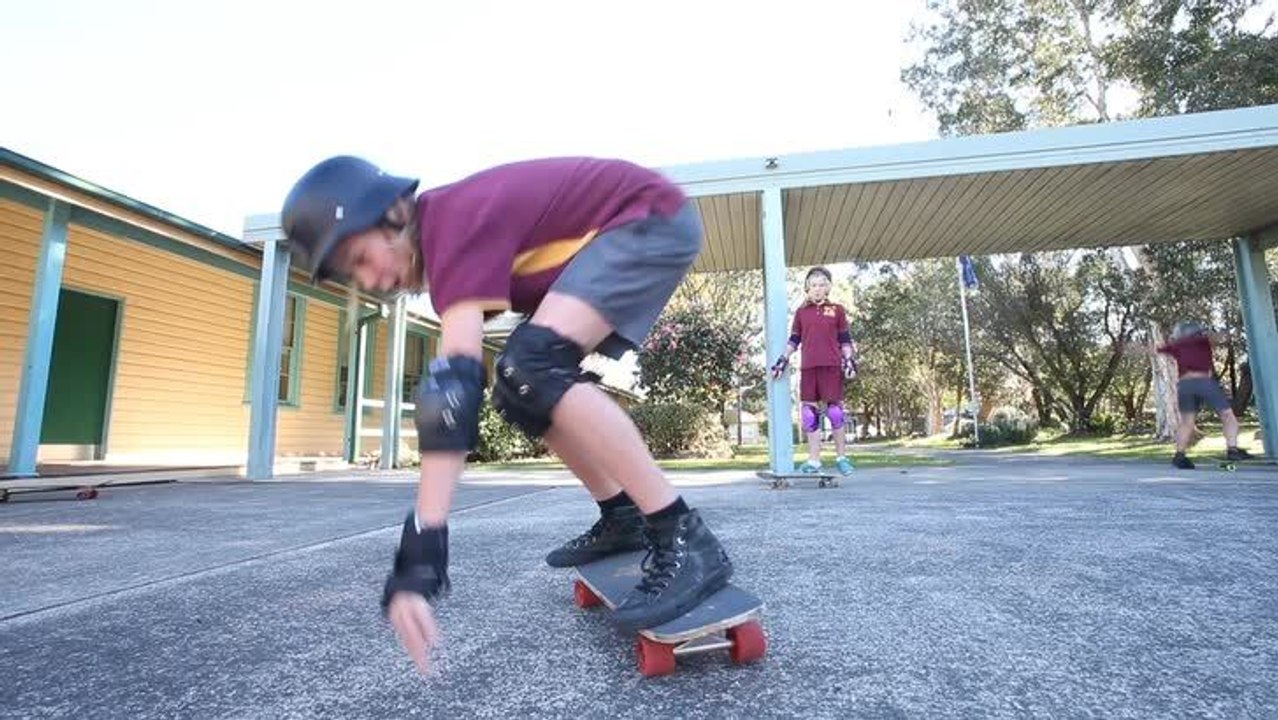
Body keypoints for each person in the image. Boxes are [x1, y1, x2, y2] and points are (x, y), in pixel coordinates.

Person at [280, 155, 735, 674]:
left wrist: (422, 549)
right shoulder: (446, 238)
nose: (373, 279)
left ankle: (684, 536)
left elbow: (452, 395)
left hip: (647, 216)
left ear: (395, 214)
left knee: (533, 368)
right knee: (521, 388)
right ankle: (622, 516)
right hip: (631, 225)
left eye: (361, 257)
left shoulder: (448, 223)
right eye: (354, 274)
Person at [769, 267, 859, 475]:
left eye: (821, 285)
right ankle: (814, 460)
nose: (817, 289)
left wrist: (849, 359)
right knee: (809, 415)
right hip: (809, 366)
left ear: (828, 287)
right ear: (807, 288)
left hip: (831, 365)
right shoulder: (801, 313)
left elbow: (845, 339)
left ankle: (841, 458)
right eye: (813, 285)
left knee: (835, 412)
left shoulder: (837, 310)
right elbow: (794, 340)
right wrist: (783, 360)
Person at [1156, 321, 1253, 469]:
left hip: (1184, 386)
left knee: (1187, 422)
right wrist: (1234, 330)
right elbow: (1221, 337)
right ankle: (1232, 450)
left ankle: (1179, 456)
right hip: (1203, 382)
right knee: (1227, 415)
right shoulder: (1202, 341)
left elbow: (1151, 349)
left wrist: (1123, 347)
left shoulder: (1177, 345)